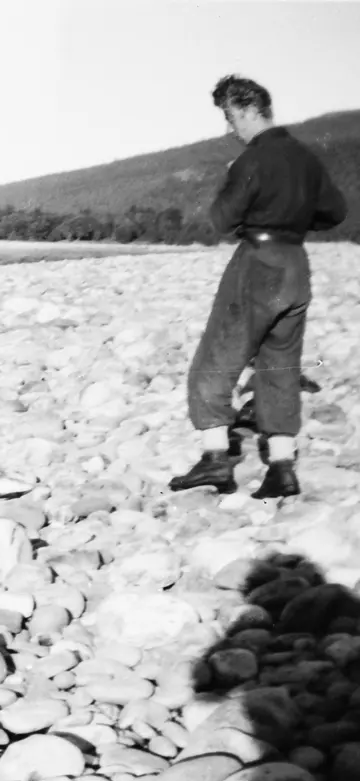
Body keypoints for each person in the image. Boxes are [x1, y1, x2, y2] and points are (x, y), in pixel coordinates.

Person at [169, 74, 349, 500]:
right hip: (295, 265)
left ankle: (216, 460)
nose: (231, 130)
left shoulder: (252, 161)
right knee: (281, 366)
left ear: (248, 110)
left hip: (257, 265)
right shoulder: (305, 158)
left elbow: (222, 220)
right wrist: (295, 219)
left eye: (231, 119)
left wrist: (236, 185)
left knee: (215, 359)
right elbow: (335, 212)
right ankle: (281, 468)